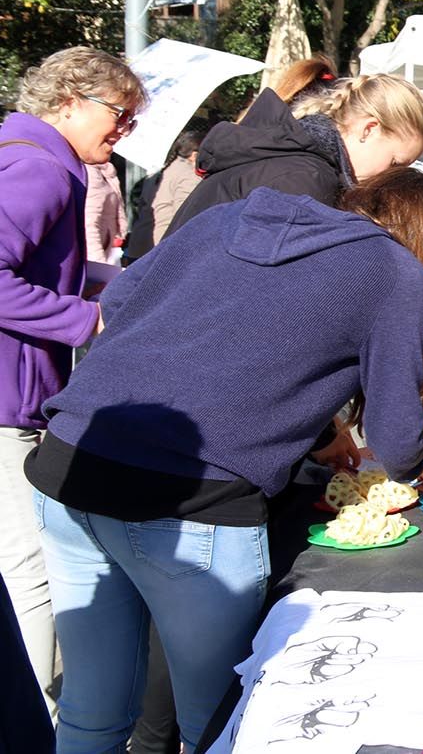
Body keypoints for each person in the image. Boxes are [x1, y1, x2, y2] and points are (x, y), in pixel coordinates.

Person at [28, 168, 423, 752]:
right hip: (192, 502)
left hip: (69, 463)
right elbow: (393, 436)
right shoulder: (394, 271)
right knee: (221, 723)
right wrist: (421, 467)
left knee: (92, 709)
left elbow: (126, 298)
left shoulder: (228, 215)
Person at [0, 46, 146, 718]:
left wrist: (109, 283)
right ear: (68, 103)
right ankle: (33, 714)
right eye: (119, 115)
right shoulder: (41, 167)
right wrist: (86, 319)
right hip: (7, 396)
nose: (124, 131)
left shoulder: (31, 155)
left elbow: (36, 266)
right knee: (28, 566)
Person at [167, 72, 423, 236]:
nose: (394, 177)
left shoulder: (290, 160)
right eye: (396, 163)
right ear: (369, 129)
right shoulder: (304, 180)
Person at [149, 127, 206, 246]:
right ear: (194, 156)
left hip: (156, 237)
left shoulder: (168, 169)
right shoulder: (188, 175)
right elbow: (186, 212)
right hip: (172, 241)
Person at [84, 159, 126, 264]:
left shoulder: (104, 170)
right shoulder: (90, 173)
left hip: (105, 248)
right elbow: (88, 224)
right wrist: (99, 264)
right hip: (94, 256)